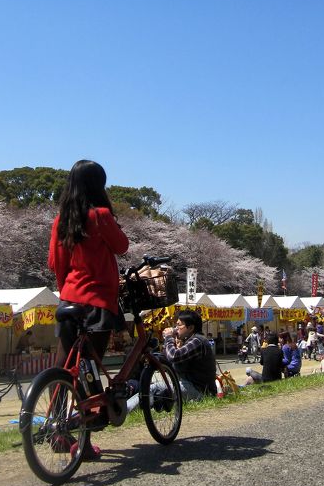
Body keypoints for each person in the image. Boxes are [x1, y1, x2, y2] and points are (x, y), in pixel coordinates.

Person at [49, 159, 129, 460]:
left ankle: (57, 430)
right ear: (98, 186)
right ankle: (84, 438)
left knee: (64, 366)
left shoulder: (62, 220)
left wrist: (65, 294)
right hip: (98, 301)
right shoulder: (101, 216)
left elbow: (58, 264)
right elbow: (121, 246)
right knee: (89, 370)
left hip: (69, 300)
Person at [128, 310, 217, 409]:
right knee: (152, 389)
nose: (176, 328)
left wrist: (169, 338)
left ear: (191, 328)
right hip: (191, 387)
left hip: (200, 390)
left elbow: (174, 356)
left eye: (179, 325)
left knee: (155, 388)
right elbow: (168, 360)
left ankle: (124, 411)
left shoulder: (198, 341)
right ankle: (130, 408)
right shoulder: (188, 341)